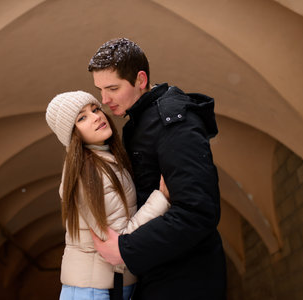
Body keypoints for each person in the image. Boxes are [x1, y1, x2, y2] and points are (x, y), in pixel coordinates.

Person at [88, 38, 227, 299]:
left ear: (140, 80)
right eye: (100, 90)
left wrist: (125, 249)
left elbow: (198, 212)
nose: (104, 100)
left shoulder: (174, 123)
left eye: (113, 88)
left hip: (186, 280)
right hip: (159, 271)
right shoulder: (138, 124)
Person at [45, 91, 171, 300]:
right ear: (72, 134)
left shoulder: (106, 160)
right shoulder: (87, 172)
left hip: (111, 285)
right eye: (82, 118)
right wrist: (161, 199)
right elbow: (119, 242)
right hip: (93, 291)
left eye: (95, 109)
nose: (96, 117)